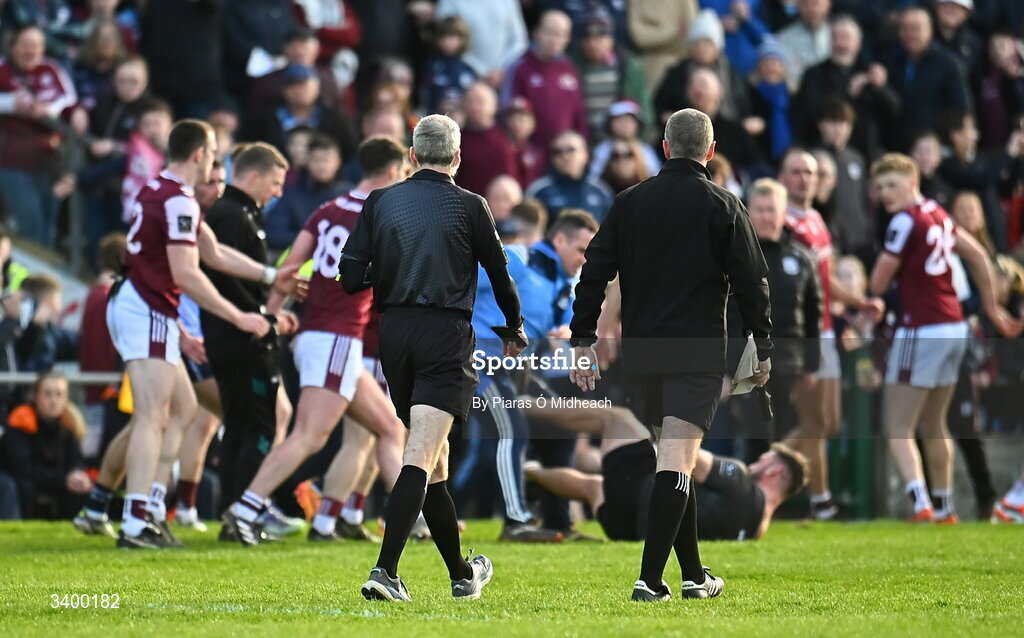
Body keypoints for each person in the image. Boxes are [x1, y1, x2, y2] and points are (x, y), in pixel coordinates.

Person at [568, 108, 773, 602]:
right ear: (710, 149)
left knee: (673, 460)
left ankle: (695, 576)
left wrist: (582, 339)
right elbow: (752, 283)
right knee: (677, 465)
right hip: (696, 354)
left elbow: (593, 272)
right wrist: (761, 345)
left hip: (643, 357)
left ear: (662, 148)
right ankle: (650, 581)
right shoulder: (723, 204)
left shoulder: (628, 202)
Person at [340, 114, 525, 602]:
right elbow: (500, 277)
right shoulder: (470, 205)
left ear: (412, 155)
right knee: (421, 453)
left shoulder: (381, 201)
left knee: (434, 459)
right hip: (445, 334)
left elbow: (350, 277)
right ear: (458, 158)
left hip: (394, 336)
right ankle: (385, 571)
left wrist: (391, 264)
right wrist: (514, 327)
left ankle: (462, 575)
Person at [221, 137, 409, 544]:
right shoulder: (383, 216)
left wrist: (270, 316)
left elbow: (287, 268)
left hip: (320, 335)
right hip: (337, 338)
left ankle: (332, 522)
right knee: (309, 435)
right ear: (393, 171)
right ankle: (245, 508)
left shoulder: (327, 210)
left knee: (390, 429)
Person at [105, 119, 271, 549]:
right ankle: (136, 521)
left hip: (144, 305)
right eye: (214, 153)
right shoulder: (179, 199)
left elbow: (213, 253)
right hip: (146, 307)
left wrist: (273, 273)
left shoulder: (161, 188)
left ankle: (152, 510)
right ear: (200, 153)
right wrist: (240, 316)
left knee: (181, 409)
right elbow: (188, 273)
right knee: (152, 416)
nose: (216, 162)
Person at [868, 153, 1021, 524]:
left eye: (892, 184)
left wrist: (886, 280)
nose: (885, 193)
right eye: (880, 186)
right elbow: (981, 257)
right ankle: (945, 506)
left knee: (898, 425)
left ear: (912, 182)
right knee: (935, 423)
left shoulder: (905, 221)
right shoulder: (938, 213)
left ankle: (919, 501)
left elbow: (878, 282)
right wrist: (992, 308)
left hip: (920, 327)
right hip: (955, 327)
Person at [522, 403, 809, 541]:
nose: (757, 461)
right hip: (627, 530)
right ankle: (527, 470)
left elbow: (686, 453)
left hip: (640, 495)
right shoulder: (756, 532)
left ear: (775, 473)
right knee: (593, 486)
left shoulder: (741, 480)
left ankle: (522, 406)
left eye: (765, 460)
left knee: (614, 418)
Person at [778, 148, 882, 520]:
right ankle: (818, 500)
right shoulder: (782, 224)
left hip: (824, 329)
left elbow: (826, 282)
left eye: (811, 173)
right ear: (782, 177)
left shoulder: (817, 220)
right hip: (804, 333)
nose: (805, 179)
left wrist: (859, 303)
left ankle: (765, 471)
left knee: (829, 424)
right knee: (814, 423)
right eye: (797, 172)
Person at [197, 143, 298, 526]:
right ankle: (244, 511)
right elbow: (225, 280)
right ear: (253, 176)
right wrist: (265, 319)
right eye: (274, 183)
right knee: (258, 424)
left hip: (231, 335)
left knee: (241, 425)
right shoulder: (233, 216)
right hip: (238, 338)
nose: (279, 192)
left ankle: (237, 510)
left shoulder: (237, 213)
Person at [746, 178, 821, 461]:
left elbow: (813, 314)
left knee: (786, 439)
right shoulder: (734, 256)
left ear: (783, 213)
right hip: (746, 365)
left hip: (790, 364)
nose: (766, 217)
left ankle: (782, 502)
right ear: (748, 212)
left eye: (771, 210)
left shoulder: (801, 258)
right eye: (760, 210)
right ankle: (753, 502)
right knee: (756, 440)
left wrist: (811, 365)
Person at [0, 25, 80, 247]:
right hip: (10, 160)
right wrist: (9, 104)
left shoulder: (52, 69)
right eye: (25, 44)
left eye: (35, 45)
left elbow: (70, 101)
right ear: (13, 47)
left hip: (49, 159)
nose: (30, 50)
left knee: (47, 222)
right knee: (30, 223)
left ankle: (42, 276)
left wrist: (50, 111)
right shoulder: (2, 69)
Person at [0, 372, 90, 519]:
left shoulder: (68, 424)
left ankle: (83, 526)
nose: (53, 400)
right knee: (22, 486)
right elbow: (23, 469)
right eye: (48, 394)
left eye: (59, 394)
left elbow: (76, 459)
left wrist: (75, 474)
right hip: (23, 479)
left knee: (83, 486)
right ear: (35, 396)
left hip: (56, 479)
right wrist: (63, 480)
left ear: (66, 398)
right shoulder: (20, 422)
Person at [502, 10, 588, 157]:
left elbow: (579, 114)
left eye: (561, 34)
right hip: (531, 155)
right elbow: (507, 112)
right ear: (536, 33)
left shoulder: (570, 69)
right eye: (549, 32)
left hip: (565, 155)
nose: (554, 39)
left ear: (567, 39)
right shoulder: (520, 68)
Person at [525, 131, 614, 225]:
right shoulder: (539, 191)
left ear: (585, 154)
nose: (564, 156)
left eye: (570, 150)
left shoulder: (601, 191)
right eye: (557, 152)